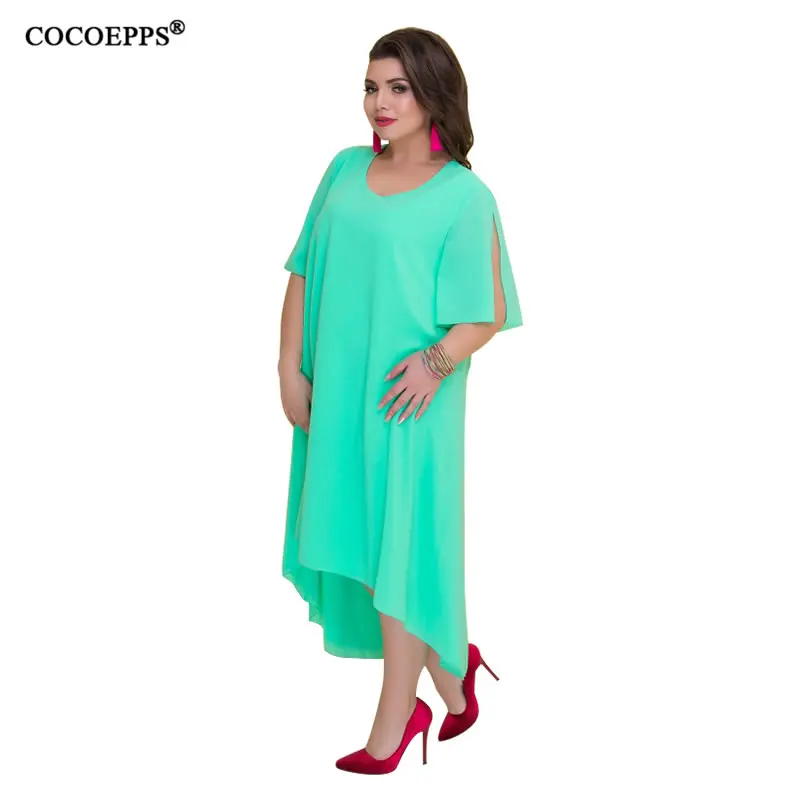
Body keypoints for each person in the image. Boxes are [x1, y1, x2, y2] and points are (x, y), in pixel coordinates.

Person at [278, 27, 523, 774]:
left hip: (412, 403)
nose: (379, 103)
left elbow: (485, 312)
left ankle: (396, 718)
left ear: (433, 95)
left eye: (398, 88)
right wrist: (289, 366)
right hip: (338, 394)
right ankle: (451, 670)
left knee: (401, 547)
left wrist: (436, 363)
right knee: (362, 536)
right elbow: (302, 271)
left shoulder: (464, 197)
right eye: (371, 87)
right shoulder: (344, 169)